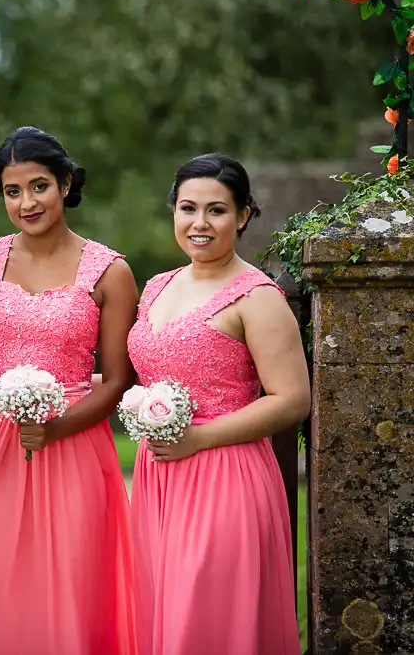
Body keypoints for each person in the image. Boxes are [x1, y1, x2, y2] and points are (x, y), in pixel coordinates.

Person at [0, 126, 138, 654]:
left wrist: (56, 428)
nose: (27, 202)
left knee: (71, 577)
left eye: (39, 187)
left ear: (66, 183)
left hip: (75, 443)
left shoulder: (110, 271)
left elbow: (119, 378)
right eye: (13, 191)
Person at [127, 153, 309, 655]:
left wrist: (200, 437)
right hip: (158, 477)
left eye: (216, 211)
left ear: (243, 215)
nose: (199, 224)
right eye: (188, 209)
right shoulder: (157, 286)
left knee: (205, 621)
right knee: (164, 612)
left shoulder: (257, 297)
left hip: (224, 475)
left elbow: (293, 399)